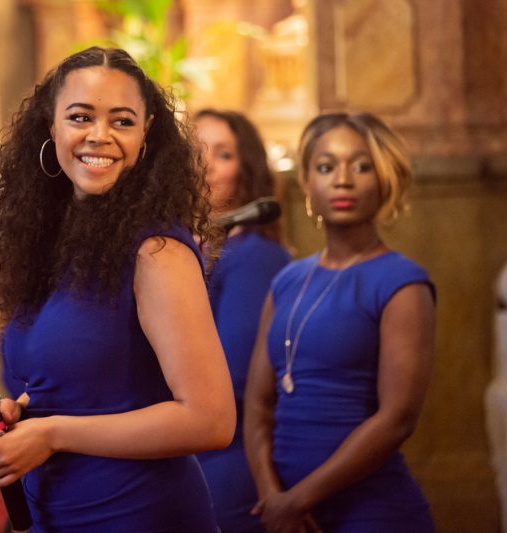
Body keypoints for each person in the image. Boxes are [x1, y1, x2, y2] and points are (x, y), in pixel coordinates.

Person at [0, 46, 235, 532]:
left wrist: (53, 434)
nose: (99, 135)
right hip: (56, 513)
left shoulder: (156, 252)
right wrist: (15, 417)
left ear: (147, 133)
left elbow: (210, 421)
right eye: (80, 117)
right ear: (51, 126)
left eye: (122, 121)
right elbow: (74, 388)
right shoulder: (48, 244)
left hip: (137, 515)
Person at [244, 112, 436, 533]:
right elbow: (258, 407)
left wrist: (298, 500)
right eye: (326, 166)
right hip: (289, 515)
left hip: (372, 513)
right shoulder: (286, 281)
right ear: (307, 183)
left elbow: (398, 418)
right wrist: (273, 497)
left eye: (361, 166)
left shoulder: (402, 283)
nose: (343, 180)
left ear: (383, 180)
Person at [193, 109, 291, 532]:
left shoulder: (254, 256)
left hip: (222, 465)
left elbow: (234, 378)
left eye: (223, 154)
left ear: (246, 171)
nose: (204, 165)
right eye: (194, 150)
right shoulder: (185, 247)